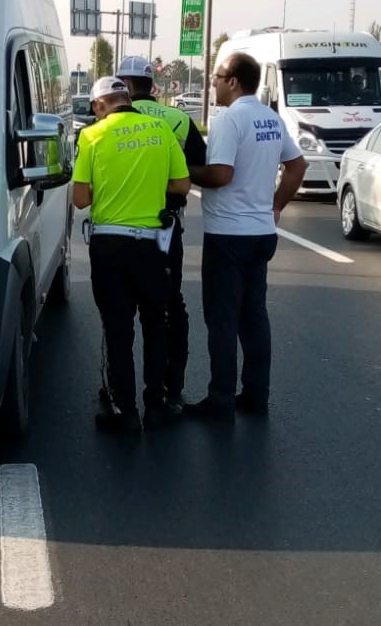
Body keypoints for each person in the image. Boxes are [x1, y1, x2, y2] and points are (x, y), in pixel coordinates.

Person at [186, 53, 307, 419]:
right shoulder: (271, 118)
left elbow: (220, 175)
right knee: (254, 316)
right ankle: (256, 394)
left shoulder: (229, 120)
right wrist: (276, 206)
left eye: (218, 77)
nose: (214, 84)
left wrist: (182, 172)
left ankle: (221, 400)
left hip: (227, 234)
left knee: (222, 319)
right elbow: (297, 165)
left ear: (234, 81)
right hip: (260, 234)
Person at [73, 75, 190, 432]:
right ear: (127, 98)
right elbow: (182, 185)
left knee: (117, 326)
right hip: (152, 246)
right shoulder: (160, 129)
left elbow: (81, 199)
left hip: (109, 246)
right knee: (156, 323)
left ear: (98, 106)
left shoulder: (91, 135)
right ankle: (155, 403)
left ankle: (124, 410)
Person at [116, 55, 207, 404]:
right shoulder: (179, 119)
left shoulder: (111, 122)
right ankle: (169, 389)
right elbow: (197, 170)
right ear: (151, 85)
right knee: (168, 307)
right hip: (166, 229)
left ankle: (118, 394)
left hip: (120, 228)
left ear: (124, 84)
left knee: (119, 314)